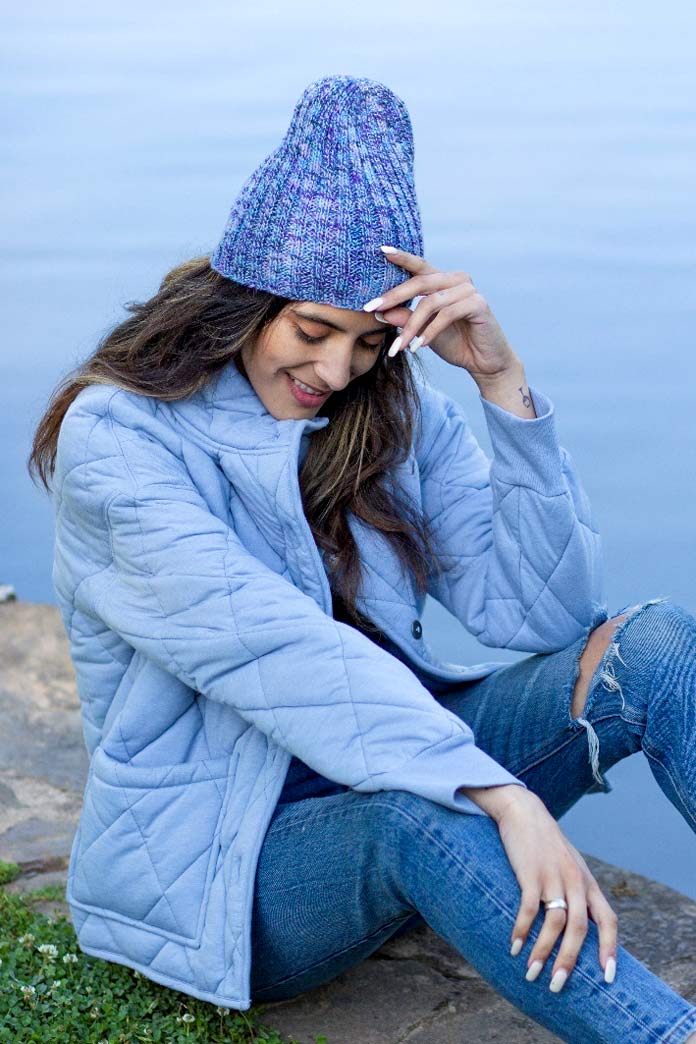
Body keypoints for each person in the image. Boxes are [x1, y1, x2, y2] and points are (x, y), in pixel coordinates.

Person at [28, 74, 696, 1043]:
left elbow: (543, 618)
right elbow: (280, 653)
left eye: (370, 341)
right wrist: (495, 790)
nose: (334, 371)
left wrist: (502, 385)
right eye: (311, 330)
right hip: (240, 861)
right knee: (417, 811)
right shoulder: (121, 440)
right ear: (240, 304)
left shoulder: (389, 405)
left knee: (662, 645)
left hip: (399, 755)